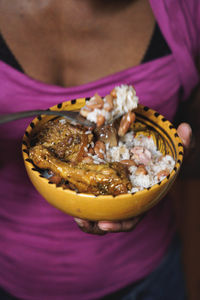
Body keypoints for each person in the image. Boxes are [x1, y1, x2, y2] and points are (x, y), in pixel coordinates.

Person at [0, 0, 199, 299]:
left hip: (150, 279)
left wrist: (165, 174)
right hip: (12, 279)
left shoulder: (186, 9)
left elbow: (192, 142)